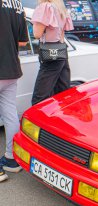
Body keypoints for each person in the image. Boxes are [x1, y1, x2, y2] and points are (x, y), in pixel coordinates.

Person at [0, 0, 29, 182]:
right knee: (10, 114)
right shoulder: (16, 3)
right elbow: (23, 42)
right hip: (11, 69)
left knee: (10, 114)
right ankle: (11, 160)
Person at [31, 0, 74, 105]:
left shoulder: (45, 7)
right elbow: (62, 35)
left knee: (39, 99)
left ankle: (38, 120)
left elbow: (37, 34)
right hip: (61, 50)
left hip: (49, 53)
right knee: (62, 93)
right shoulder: (61, 8)